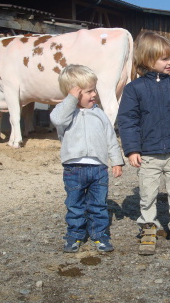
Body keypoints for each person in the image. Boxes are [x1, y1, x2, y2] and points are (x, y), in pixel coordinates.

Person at [117, 31, 170, 256]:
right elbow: (128, 121)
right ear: (147, 58)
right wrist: (132, 149)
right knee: (147, 194)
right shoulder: (134, 89)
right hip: (148, 155)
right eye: (164, 58)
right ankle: (148, 227)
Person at [50, 64, 124, 253]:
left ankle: (100, 236)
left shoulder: (99, 114)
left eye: (94, 90)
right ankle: (74, 235)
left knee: (98, 205)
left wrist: (116, 160)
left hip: (98, 169)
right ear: (74, 93)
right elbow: (57, 120)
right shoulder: (64, 113)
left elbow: (110, 138)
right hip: (73, 169)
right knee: (75, 206)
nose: (94, 95)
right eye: (89, 91)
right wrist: (71, 99)